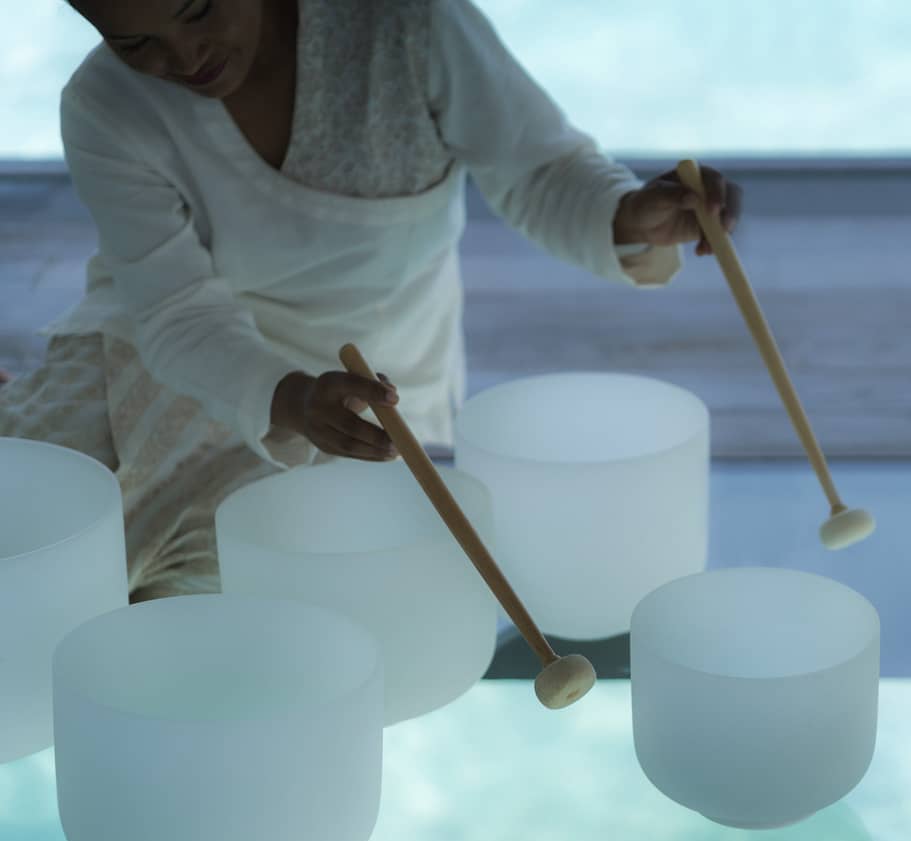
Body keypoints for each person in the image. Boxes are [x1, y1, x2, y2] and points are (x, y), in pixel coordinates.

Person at [0, 0, 741, 602]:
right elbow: (174, 311)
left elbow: (540, 169)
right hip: (172, 353)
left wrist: (625, 215)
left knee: (241, 608)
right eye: (136, 43)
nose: (183, 58)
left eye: (198, 11)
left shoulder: (406, 24)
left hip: (371, 401)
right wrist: (284, 397)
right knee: (37, 554)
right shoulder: (105, 103)